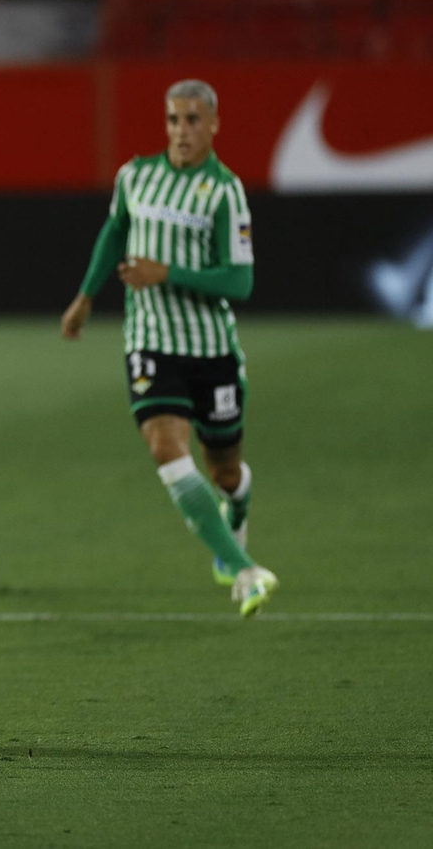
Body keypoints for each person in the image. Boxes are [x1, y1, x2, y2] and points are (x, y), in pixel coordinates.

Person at [61, 78, 278, 617]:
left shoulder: (225, 191)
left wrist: (166, 273)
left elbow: (240, 282)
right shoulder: (136, 176)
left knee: (224, 470)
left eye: (193, 121)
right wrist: (86, 296)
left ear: (213, 125)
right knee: (165, 448)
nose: (182, 131)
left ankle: (239, 502)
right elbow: (115, 232)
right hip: (151, 343)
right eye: (174, 119)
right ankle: (246, 569)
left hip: (211, 350)